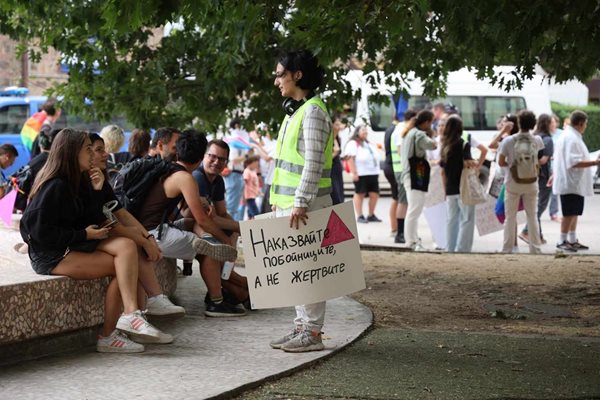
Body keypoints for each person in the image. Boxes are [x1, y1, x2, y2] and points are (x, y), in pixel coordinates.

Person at [20, 128, 172, 353]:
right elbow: (33, 231)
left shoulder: (80, 179)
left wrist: (98, 190)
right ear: (72, 153)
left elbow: (93, 218)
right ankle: (114, 331)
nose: (93, 154)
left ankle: (130, 318)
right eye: (88, 149)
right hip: (51, 254)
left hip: (71, 245)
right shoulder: (55, 185)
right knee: (125, 268)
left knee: (127, 251)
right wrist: (83, 235)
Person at [137, 130, 244, 317]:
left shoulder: (171, 168)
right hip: (154, 234)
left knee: (199, 232)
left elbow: (195, 216)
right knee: (209, 248)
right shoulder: (187, 178)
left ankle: (228, 289)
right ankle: (216, 303)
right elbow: (202, 219)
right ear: (202, 156)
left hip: (150, 229)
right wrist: (225, 241)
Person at [269, 49, 333, 353]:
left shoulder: (313, 112)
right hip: (291, 204)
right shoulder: (295, 112)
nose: (276, 81)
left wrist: (301, 201)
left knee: (309, 270)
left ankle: (312, 332)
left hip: (306, 206)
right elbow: (283, 162)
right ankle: (301, 326)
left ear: (297, 75)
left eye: (280, 73)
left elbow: (313, 163)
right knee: (295, 270)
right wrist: (275, 199)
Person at [88, 132, 185, 317]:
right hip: (77, 243)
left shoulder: (99, 178)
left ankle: (144, 312)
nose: (105, 154)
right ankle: (130, 318)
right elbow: (108, 223)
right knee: (130, 251)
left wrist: (147, 237)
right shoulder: (82, 182)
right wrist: (145, 240)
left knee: (133, 248)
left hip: (95, 237)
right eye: (99, 150)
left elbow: (120, 213)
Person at [192, 139, 250, 307]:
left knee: (225, 242)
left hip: (203, 226)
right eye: (212, 156)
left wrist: (237, 232)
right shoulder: (197, 177)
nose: (217, 162)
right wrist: (240, 229)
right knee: (214, 250)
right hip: (188, 225)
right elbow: (206, 219)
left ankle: (240, 292)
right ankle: (242, 286)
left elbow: (222, 213)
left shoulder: (218, 180)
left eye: (222, 159)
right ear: (204, 156)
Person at [552, 110, 600, 252]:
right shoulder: (571, 138)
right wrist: (594, 163)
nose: (585, 126)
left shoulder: (570, 135)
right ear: (580, 124)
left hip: (573, 183)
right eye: (585, 124)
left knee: (574, 212)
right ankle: (562, 240)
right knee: (569, 213)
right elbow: (573, 162)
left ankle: (572, 239)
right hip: (570, 182)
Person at [498, 110, 544, 254]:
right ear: (533, 124)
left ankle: (507, 248)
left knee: (510, 217)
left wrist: (513, 168)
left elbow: (501, 162)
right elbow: (540, 159)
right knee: (532, 215)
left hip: (513, 182)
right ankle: (535, 249)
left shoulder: (508, 141)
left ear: (518, 123)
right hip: (531, 183)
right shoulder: (537, 140)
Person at [401, 109, 437, 251]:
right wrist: (432, 134)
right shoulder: (419, 134)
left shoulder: (409, 133)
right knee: (414, 210)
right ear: (426, 122)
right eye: (431, 122)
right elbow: (433, 145)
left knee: (413, 209)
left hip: (408, 174)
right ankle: (411, 242)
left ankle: (413, 239)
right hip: (415, 175)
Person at [439, 115, 476, 252]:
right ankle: (463, 249)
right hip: (463, 188)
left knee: (451, 220)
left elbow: (442, 172)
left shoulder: (445, 146)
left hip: (450, 189)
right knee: (467, 219)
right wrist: (476, 163)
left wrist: (445, 190)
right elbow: (468, 163)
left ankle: (450, 248)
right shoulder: (463, 144)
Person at [519, 113, 554, 245]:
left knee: (535, 205)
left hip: (530, 175)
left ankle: (538, 235)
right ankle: (527, 231)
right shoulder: (548, 140)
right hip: (543, 176)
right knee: (540, 206)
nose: (554, 124)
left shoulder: (533, 137)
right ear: (547, 124)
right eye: (552, 122)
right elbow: (544, 161)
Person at [344, 125, 382, 223]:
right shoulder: (353, 143)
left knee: (374, 194)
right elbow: (349, 158)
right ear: (357, 132)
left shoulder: (367, 143)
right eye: (363, 130)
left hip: (372, 173)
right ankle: (360, 215)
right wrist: (354, 173)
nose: (365, 132)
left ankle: (371, 214)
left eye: (366, 130)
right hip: (361, 173)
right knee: (360, 193)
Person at [392, 108, 417, 244]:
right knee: (403, 202)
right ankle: (400, 233)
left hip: (399, 169)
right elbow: (401, 151)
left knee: (404, 201)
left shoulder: (400, 128)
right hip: (402, 170)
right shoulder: (402, 130)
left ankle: (402, 232)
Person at [224, 119, 251, 220]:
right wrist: (247, 156)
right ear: (236, 126)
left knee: (235, 205)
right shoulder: (234, 142)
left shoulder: (236, 142)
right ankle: (230, 229)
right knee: (232, 206)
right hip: (234, 174)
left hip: (237, 174)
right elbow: (234, 159)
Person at [383, 115, 400, 235]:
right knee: (397, 198)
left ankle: (395, 227)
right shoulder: (396, 129)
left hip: (389, 165)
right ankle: (394, 228)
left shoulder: (389, 128)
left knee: (396, 197)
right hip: (393, 166)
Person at [330, 117, 346, 205]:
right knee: (335, 192)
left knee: (340, 191)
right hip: (332, 169)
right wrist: (335, 153)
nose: (339, 126)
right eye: (336, 124)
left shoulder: (338, 138)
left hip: (337, 167)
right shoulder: (330, 139)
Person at [243, 155, 261, 220]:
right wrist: (243, 197)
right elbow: (245, 183)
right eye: (255, 164)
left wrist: (258, 191)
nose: (256, 166)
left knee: (250, 212)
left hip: (253, 195)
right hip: (249, 195)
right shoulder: (247, 171)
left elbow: (255, 184)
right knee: (255, 213)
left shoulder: (253, 171)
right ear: (251, 163)